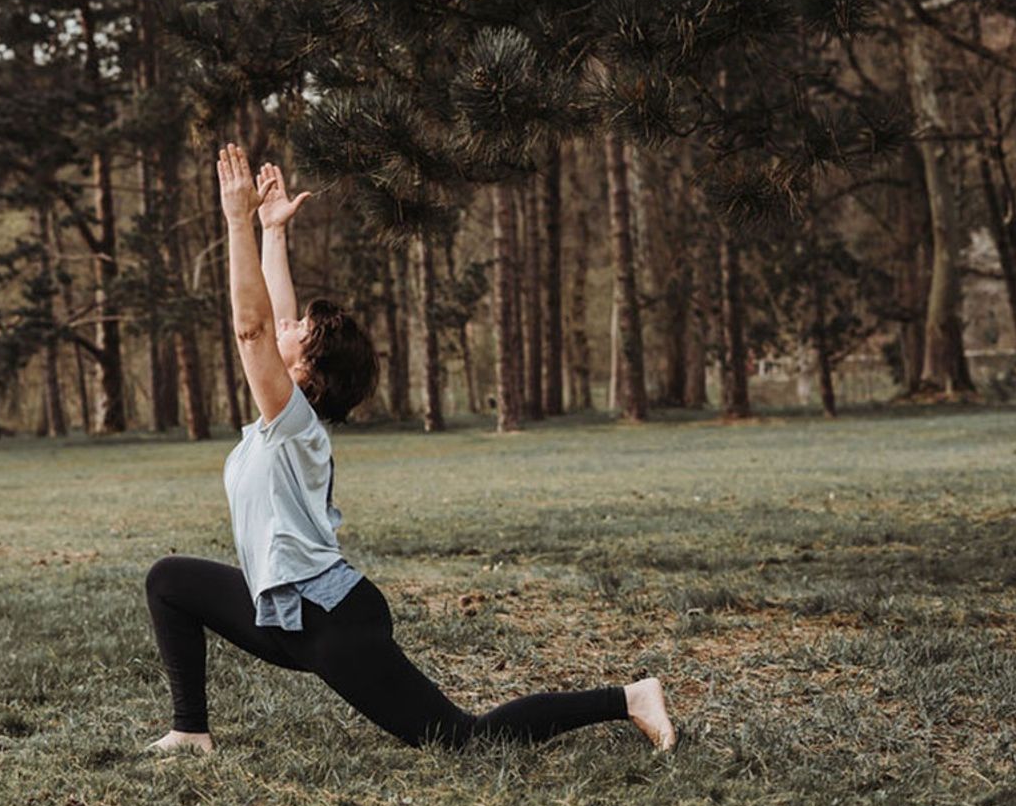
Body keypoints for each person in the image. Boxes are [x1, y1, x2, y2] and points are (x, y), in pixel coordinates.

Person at [144, 143, 676, 755]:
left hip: (331, 622)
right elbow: (274, 315)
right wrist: (270, 233)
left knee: (462, 740)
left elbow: (254, 326)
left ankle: (629, 697)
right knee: (170, 580)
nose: (286, 325)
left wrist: (236, 220)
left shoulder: (293, 424)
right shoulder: (280, 418)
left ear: (307, 376)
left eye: (301, 334)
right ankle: (190, 730)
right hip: (279, 614)